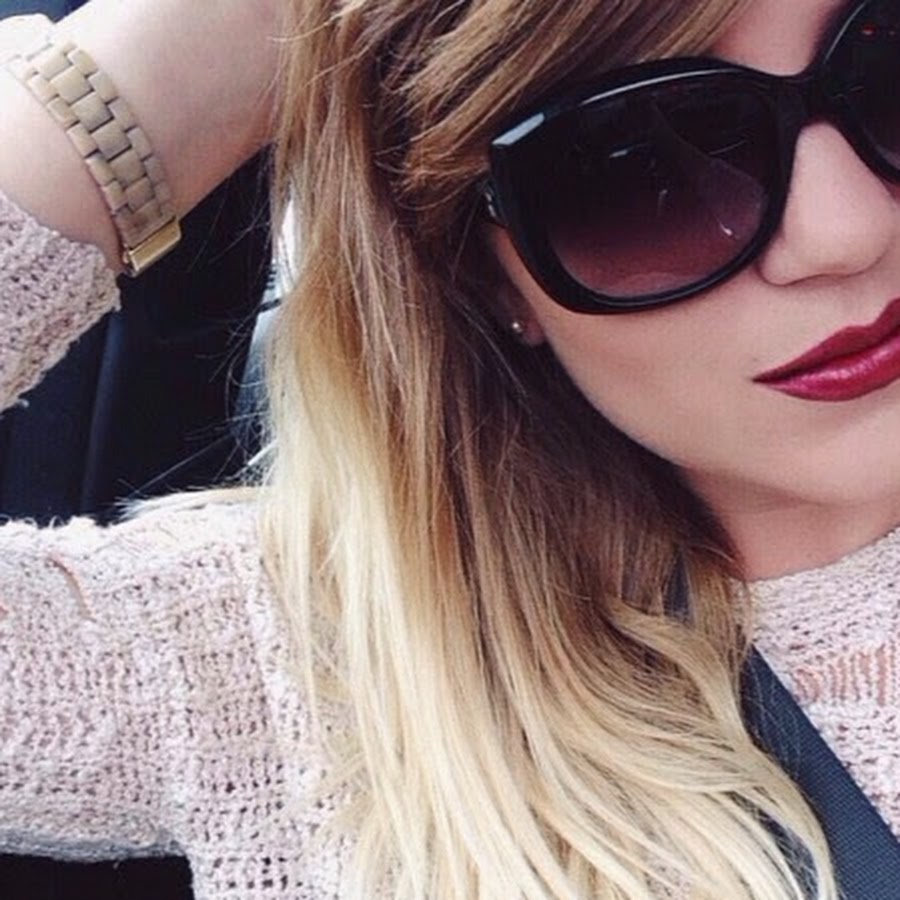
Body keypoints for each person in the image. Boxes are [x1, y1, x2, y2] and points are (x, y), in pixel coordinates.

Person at [0, 0, 898, 896]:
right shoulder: (308, 661)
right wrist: (240, 36)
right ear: (483, 275)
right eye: (637, 166)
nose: (846, 231)